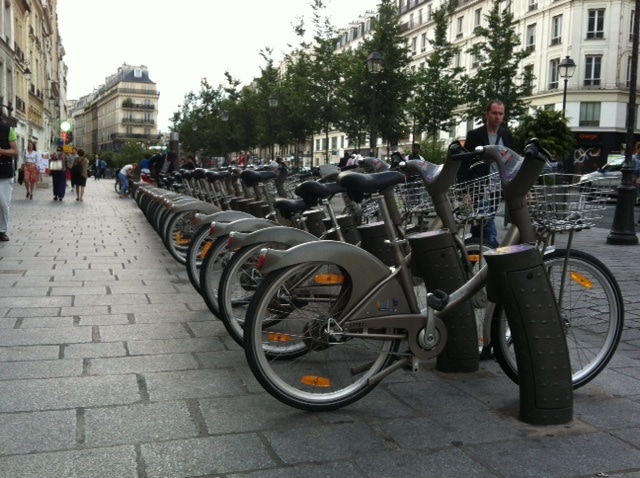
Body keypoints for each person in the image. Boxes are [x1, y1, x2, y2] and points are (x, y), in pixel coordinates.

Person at [460, 99, 514, 248]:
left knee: (479, 229)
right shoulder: (475, 135)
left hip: (498, 190)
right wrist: (465, 192)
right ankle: (498, 258)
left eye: (500, 114)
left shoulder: (506, 135)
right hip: (480, 189)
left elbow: (513, 162)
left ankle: (468, 260)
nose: (497, 117)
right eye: (494, 113)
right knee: (489, 228)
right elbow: (465, 165)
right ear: (487, 114)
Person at [0, 116, 19, 241]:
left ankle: (2, 230)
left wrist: (1, 151)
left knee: (3, 202)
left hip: (3, 172)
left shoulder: (7, 129)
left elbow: (15, 151)